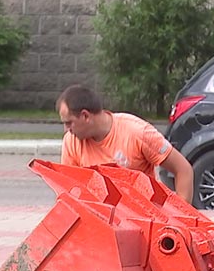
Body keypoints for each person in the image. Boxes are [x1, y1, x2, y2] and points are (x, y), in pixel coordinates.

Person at [55, 84, 194, 204]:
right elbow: (69, 193)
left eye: (69, 123)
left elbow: (183, 170)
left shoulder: (138, 132)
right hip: (99, 222)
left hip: (142, 220)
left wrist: (180, 219)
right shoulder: (71, 141)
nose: (66, 130)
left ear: (85, 116)